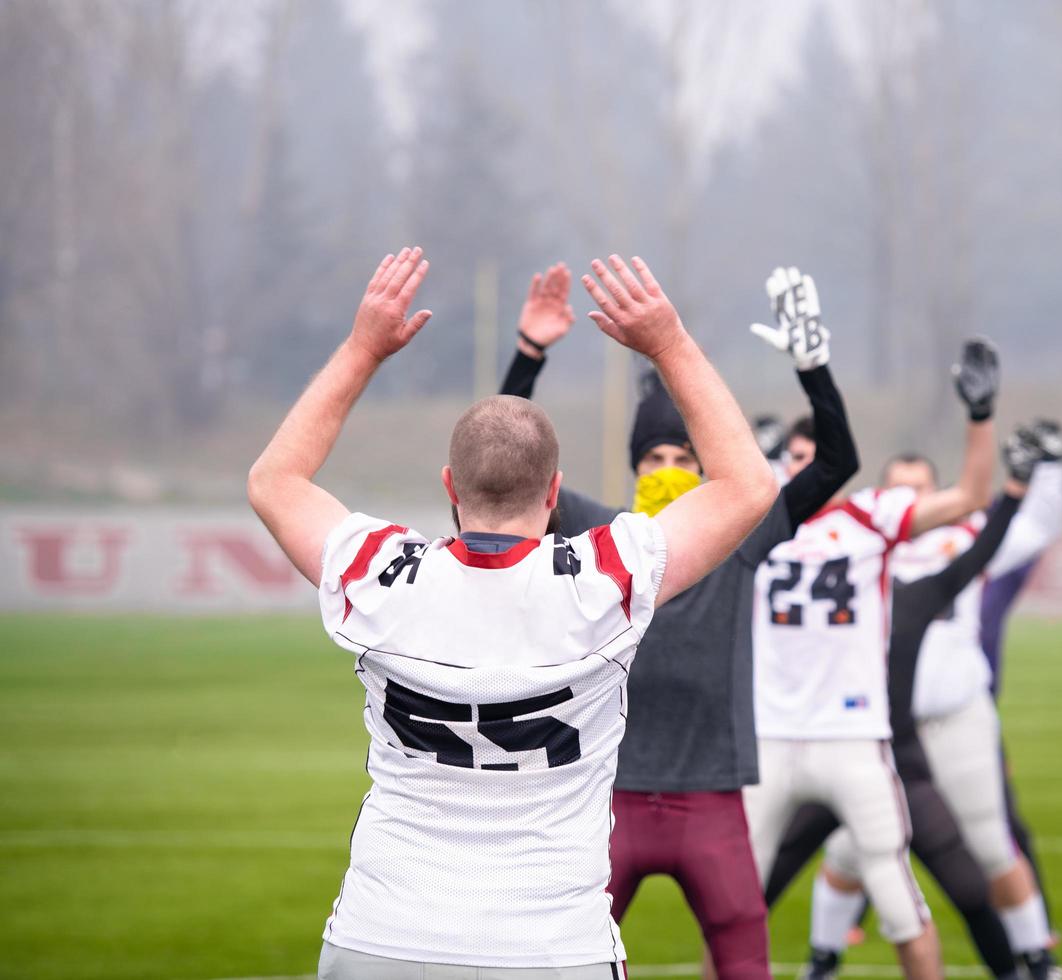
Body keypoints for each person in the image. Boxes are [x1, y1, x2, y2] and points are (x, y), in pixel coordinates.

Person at [247, 248, 776, 978]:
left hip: (381, 936)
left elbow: (275, 480)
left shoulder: (379, 574)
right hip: (551, 949)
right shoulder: (604, 579)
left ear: (448, 486)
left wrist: (363, 348)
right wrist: (669, 343)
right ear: (555, 492)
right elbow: (747, 486)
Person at [501, 262, 859, 978]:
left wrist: (813, 368)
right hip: (610, 795)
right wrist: (529, 356)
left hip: (711, 794)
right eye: (654, 456)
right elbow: (506, 465)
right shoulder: (597, 531)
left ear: (705, 467)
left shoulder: (743, 533)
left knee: (742, 960)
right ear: (635, 467)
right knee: (562, 962)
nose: (668, 466)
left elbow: (837, 461)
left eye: (682, 456)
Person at [771, 422, 1062, 980]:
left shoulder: (963, 535)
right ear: (881, 493)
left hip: (954, 715)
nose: (910, 498)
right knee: (846, 850)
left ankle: (1037, 957)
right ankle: (823, 958)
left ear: (939, 492)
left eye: (921, 487)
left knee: (988, 841)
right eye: (899, 487)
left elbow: (1031, 528)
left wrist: (1046, 471)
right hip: (868, 725)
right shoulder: (860, 539)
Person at [745, 338, 1004, 980]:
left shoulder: (872, 516)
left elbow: (972, 494)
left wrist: (980, 416)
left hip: (851, 737)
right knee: (733, 909)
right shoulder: (754, 520)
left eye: (812, 457)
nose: (801, 469)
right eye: (791, 459)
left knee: (898, 900)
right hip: (771, 739)